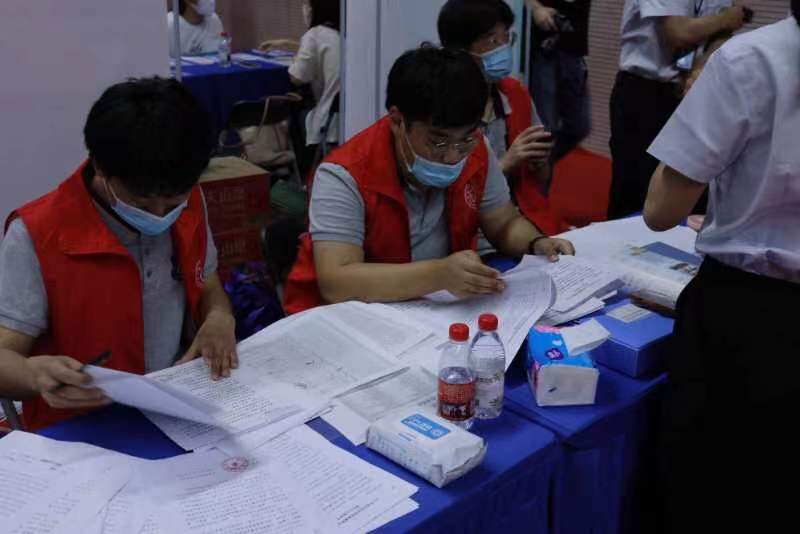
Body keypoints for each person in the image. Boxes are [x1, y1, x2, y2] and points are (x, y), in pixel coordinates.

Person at [0, 78, 237, 431]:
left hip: (177, 407)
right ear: (99, 167)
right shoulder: (38, 234)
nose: (160, 215)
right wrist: (33, 375)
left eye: (173, 202)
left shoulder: (188, 198)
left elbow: (208, 284)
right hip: (84, 426)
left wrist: (219, 318)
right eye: (142, 203)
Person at [644, 7, 800, 530]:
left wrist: (694, 121)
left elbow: (661, 211)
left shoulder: (749, 59)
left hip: (748, 313)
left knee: (713, 482)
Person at [283, 47, 575, 315]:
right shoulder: (343, 174)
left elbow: (504, 223)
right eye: (437, 142)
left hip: (431, 309)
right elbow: (337, 281)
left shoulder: (476, 151)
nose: (452, 156)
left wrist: (536, 243)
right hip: (349, 317)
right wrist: (438, 275)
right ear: (397, 121)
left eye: (465, 139)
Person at [437, 0, 569, 237]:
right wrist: (506, 163)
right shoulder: (439, 106)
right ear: (459, 50)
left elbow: (540, 181)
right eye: (492, 41)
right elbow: (441, 197)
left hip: (521, 221)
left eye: (506, 37)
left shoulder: (515, 94)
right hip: (470, 232)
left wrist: (539, 162)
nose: (504, 49)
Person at [608, 0, 749, 219]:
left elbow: (723, 33)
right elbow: (678, 32)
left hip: (692, 89)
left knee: (688, 190)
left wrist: (700, 68)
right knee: (634, 191)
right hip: (645, 91)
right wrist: (726, 18)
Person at [260, 0, 341, 151]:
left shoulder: (315, 34)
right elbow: (319, 50)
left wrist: (295, 59)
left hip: (328, 121)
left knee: (294, 112)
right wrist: (284, 43)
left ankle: (297, 162)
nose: (305, 8)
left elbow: (297, 78)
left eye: (307, 4)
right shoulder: (342, 31)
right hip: (345, 117)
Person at [526, 0, 593, 164]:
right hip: (543, 50)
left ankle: (539, 166)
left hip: (574, 50)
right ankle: (538, 171)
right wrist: (535, 8)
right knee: (546, 128)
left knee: (580, 126)